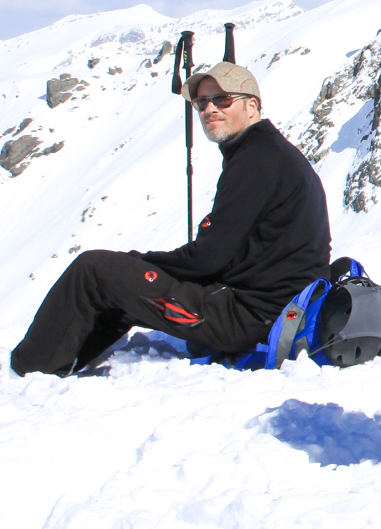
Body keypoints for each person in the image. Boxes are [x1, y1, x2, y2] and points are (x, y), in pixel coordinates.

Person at [11, 62, 331, 376]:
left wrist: (141, 263)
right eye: (201, 102)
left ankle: (24, 372)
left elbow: (207, 258)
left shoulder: (256, 161)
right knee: (123, 281)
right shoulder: (270, 152)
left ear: (252, 106)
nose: (209, 109)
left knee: (93, 271)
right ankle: (68, 360)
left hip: (250, 318)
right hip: (279, 310)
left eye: (222, 99)